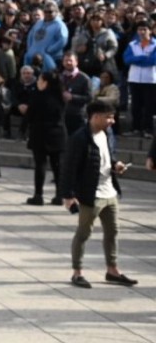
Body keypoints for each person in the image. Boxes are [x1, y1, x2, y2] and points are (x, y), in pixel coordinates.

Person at [60, 100, 138, 290]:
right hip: (90, 194)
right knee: (84, 233)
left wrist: (115, 164)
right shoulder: (80, 138)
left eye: (113, 116)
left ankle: (112, 270)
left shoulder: (107, 133)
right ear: (95, 117)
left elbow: (107, 156)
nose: (112, 121)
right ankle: (77, 272)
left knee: (113, 232)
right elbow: (68, 168)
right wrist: (68, 195)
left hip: (109, 191)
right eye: (108, 117)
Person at [21, 70, 67, 206]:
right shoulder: (60, 97)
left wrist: (23, 129)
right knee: (58, 166)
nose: (38, 82)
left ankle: (38, 195)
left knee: (40, 165)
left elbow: (30, 115)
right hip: (58, 134)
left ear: (46, 82)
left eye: (40, 80)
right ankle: (59, 195)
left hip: (40, 133)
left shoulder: (38, 96)